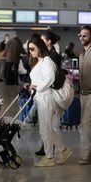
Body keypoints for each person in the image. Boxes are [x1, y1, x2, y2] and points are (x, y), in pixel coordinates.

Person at [27, 37, 72, 167]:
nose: (30, 52)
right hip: (41, 97)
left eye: (32, 49)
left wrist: (37, 87)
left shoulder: (47, 60)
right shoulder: (39, 61)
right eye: (29, 49)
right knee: (50, 128)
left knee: (44, 129)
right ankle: (63, 150)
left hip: (46, 98)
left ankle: (49, 157)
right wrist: (32, 86)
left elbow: (50, 78)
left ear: (40, 47)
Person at [78, 26, 91, 165]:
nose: (82, 38)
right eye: (80, 35)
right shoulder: (81, 55)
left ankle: (88, 154)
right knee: (87, 124)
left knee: (87, 124)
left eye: (85, 35)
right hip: (83, 94)